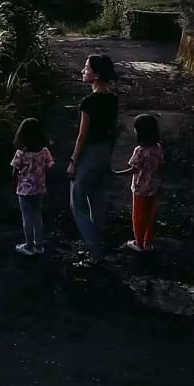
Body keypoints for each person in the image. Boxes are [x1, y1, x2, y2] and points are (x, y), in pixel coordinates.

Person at [68, 54, 118, 262]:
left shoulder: (88, 102)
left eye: (87, 68)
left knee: (77, 204)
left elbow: (82, 136)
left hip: (89, 154)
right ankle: (98, 243)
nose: (83, 71)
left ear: (96, 75)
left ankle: (94, 249)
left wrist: (72, 161)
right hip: (105, 153)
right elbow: (113, 130)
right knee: (97, 202)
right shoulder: (113, 99)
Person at [114, 113, 164, 252]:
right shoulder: (158, 148)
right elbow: (160, 165)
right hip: (153, 187)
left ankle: (138, 243)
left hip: (140, 188)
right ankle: (147, 242)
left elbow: (134, 169)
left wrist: (116, 173)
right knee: (149, 215)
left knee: (138, 216)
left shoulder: (140, 151)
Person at [10, 117, 54, 256]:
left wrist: (14, 185)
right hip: (39, 189)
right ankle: (39, 245)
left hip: (24, 191)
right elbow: (49, 166)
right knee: (37, 217)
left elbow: (14, 171)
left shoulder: (21, 154)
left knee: (27, 218)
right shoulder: (44, 152)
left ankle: (29, 246)